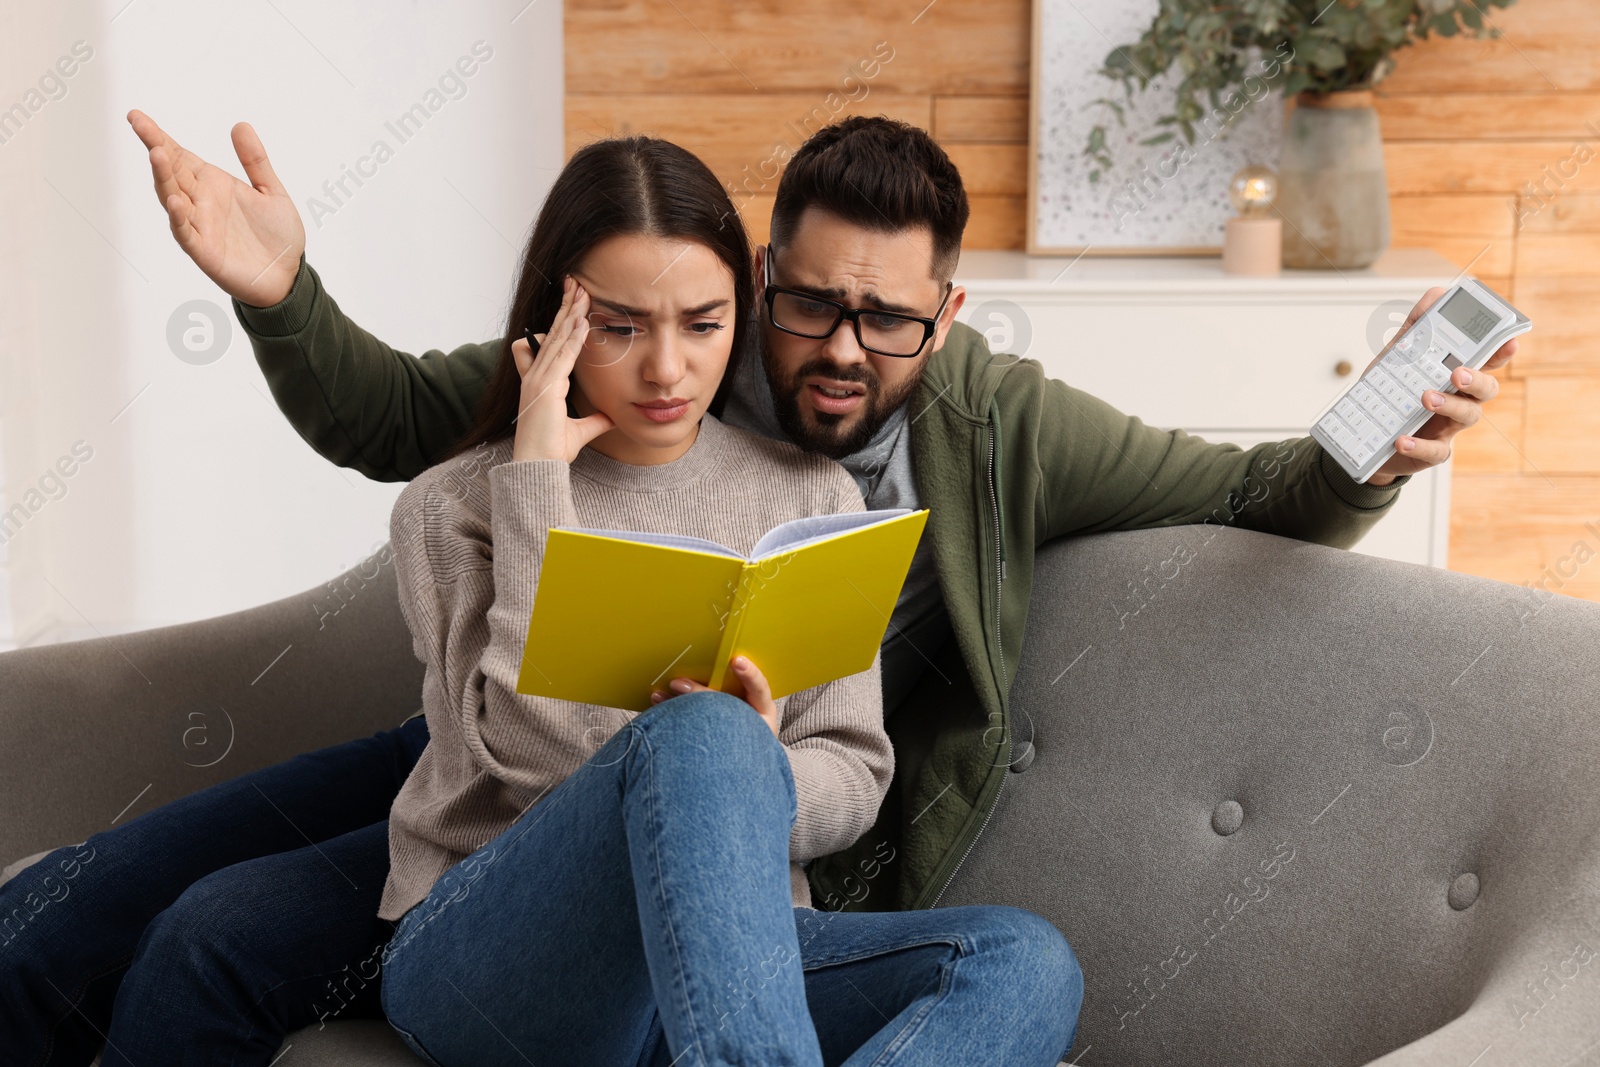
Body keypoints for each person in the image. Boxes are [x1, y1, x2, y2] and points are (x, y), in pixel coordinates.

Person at [0, 109, 1515, 1063]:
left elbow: (1239, 494)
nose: (839, 347)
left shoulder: (990, 429)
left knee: (1010, 951)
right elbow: (406, 420)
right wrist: (284, 298)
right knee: (169, 909)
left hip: (730, 815)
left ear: (948, 314)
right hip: (495, 773)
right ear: (765, 267)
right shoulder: (645, 363)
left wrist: (1378, 444)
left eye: (887, 318)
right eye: (807, 303)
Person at [2, 135, 1084, 1067]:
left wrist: (751, 779)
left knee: (1025, 959)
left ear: (742, 313)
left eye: (703, 325)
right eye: (618, 326)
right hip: (494, 950)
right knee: (699, 732)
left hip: (729, 965)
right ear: (556, 319)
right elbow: (522, 757)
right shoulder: (459, 506)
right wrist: (535, 489)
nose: (667, 368)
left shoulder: (809, 491)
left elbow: (855, 770)